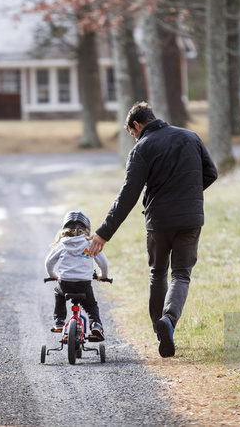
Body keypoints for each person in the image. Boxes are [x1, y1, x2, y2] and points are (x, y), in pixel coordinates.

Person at [89, 102, 217, 357]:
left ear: (137, 125)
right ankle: (168, 320)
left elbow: (128, 195)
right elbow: (210, 173)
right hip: (190, 219)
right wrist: (186, 194)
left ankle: (161, 333)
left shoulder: (142, 149)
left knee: (157, 274)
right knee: (181, 275)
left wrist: (103, 233)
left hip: (159, 222)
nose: (133, 138)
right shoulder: (190, 137)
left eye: (132, 133)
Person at [45, 211, 108, 341]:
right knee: (91, 305)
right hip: (84, 284)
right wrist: (103, 275)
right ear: (87, 228)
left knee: (58, 293)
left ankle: (59, 320)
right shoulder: (90, 244)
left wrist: (53, 275)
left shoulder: (62, 244)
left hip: (65, 283)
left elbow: (49, 262)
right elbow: (103, 263)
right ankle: (96, 325)